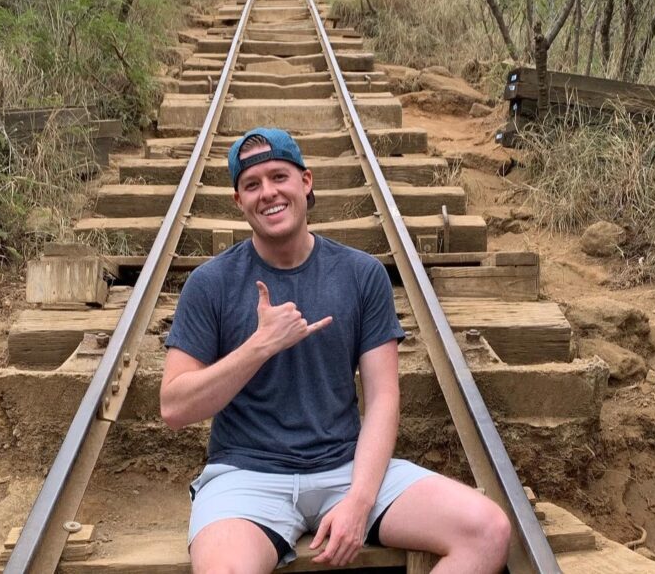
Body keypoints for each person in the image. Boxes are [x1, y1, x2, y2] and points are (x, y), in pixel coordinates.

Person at [160, 127, 512, 573]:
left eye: (278, 177)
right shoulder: (210, 284)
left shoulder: (361, 274)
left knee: (487, 530)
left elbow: (384, 397)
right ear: (238, 202)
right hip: (244, 477)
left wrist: (359, 503)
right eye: (252, 184)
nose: (267, 192)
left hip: (347, 468)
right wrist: (260, 346)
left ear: (305, 183)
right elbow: (173, 407)